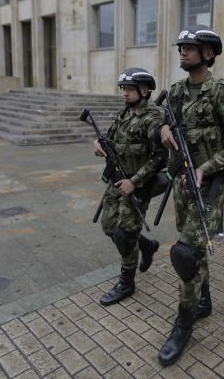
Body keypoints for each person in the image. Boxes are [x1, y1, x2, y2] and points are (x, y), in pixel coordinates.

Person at [154, 25, 224, 366]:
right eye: (180, 46)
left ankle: (184, 322)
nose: (182, 51)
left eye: (190, 47)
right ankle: (203, 300)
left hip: (211, 183)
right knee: (192, 244)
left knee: (185, 252)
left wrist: (206, 168)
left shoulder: (221, 91)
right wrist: (162, 129)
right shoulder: (176, 91)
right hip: (183, 180)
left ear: (208, 54)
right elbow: (158, 121)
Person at [93, 68, 167, 306]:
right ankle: (146, 245)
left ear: (144, 90)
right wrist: (98, 143)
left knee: (124, 235)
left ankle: (127, 282)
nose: (125, 93)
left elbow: (160, 158)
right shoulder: (124, 113)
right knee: (108, 226)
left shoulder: (153, 118)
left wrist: (134, 182)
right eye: (123, 88)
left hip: (138, 185)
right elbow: (109, 138)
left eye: (130, 89)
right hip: (117, 180)